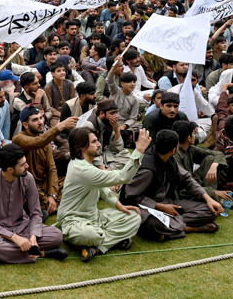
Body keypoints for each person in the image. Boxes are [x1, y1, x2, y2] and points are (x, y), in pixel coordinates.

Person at [56, 127, 151, 262]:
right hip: (73, 221)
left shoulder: (85, 164)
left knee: (134, 217)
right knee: (91, 235)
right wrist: (139, 150)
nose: (99, 144)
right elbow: (124, 176)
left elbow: (102, 188)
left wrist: (118, 205)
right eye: (94, 141)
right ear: (82, 147)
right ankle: (103, 242)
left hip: (96, 218)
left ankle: (95, 247)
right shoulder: (82, 169)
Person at [121, 130, 223, 241]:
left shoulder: (170, 159)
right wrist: (160, 206)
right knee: (153, 224)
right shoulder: (148, 170)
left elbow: (187, 179)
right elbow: (130, 196)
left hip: (168, 202)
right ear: (174, 149)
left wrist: (208, 199)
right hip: (146, 207)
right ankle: (189, 228)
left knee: (210, 210)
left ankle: (171, 226)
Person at [0, 144, 67, 263]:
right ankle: (41, 254)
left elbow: (35, 212)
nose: (27, 166)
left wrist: (33, 236)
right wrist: (14, 238)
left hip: (22, 226)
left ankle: (11, 254)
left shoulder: (28, 178)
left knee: (57, 236)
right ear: (10, 169)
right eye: (23, 165)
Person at [12, 107, 78, 217]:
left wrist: (52, 195)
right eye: (35, 120)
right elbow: (37, 142)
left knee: (74, 182)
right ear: (25, 125)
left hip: (44, 185)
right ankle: (49, 207)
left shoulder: (45, 142)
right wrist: (59, 126)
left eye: (41, 118)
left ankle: (50, 205)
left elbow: (52, 169)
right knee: (32, 194)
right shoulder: (18, 138)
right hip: (28, 186)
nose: (40, 122)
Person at [88, 99, 132, 170]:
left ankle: (108, 172)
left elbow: (118, 148)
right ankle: (106, 173)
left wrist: (116, 130)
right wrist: (101, 167)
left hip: (103, 152)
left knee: (126, 154)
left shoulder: (109, 123)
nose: (116, 116)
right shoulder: (90, 125)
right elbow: (90, 150)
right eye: (112, 113)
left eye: (116, 113)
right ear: (102, 113)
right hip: (91, 156)